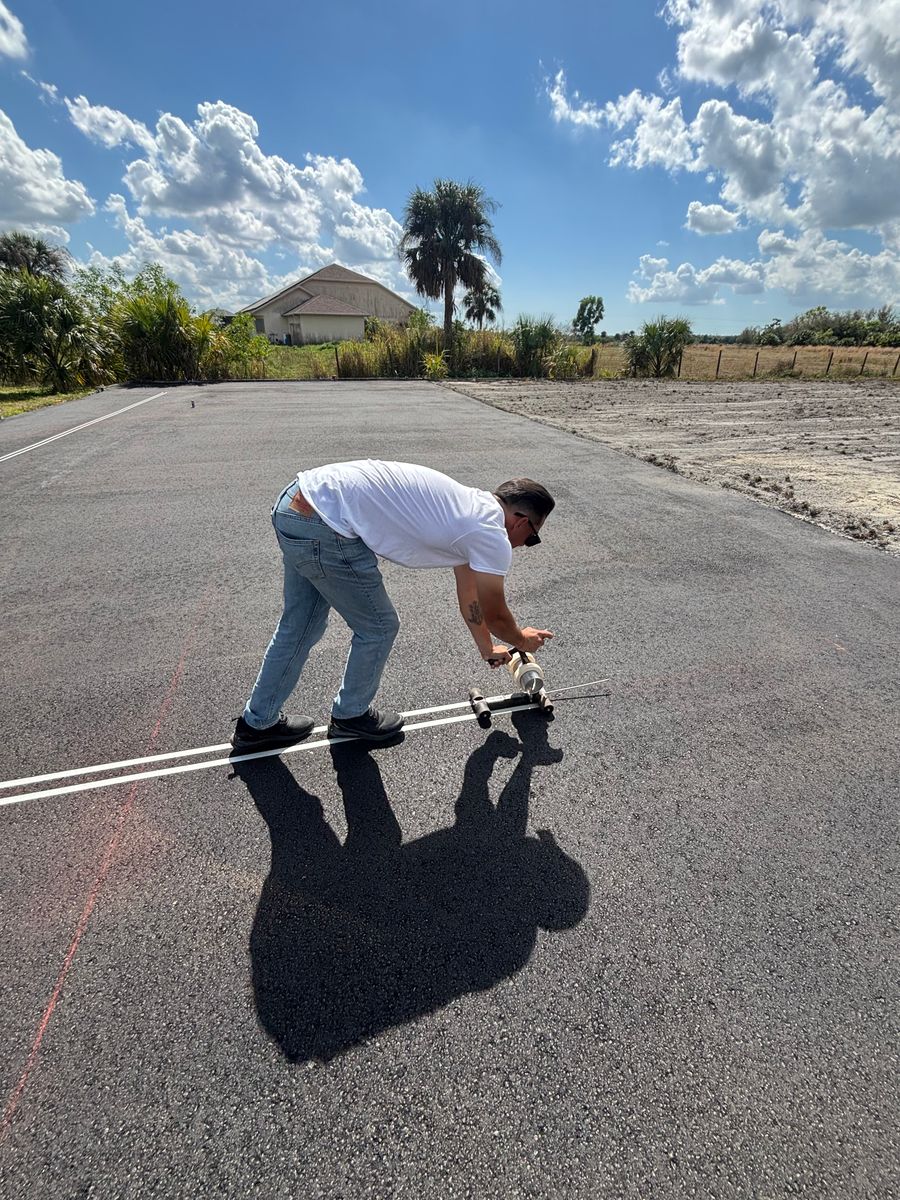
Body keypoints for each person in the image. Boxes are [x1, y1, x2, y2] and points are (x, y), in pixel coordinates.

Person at [232, 459, 554, 753]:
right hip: (326, 523)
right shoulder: (490, 533)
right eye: (532, 537)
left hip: (297, 502)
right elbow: (497, 614)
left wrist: (486, 647)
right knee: (379, 626)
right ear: (521, 520)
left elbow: (470, 597)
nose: (526, 545)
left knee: (300, 625)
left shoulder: (471, 509)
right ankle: (351, 716)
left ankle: (257, 723)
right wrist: (523, 641)